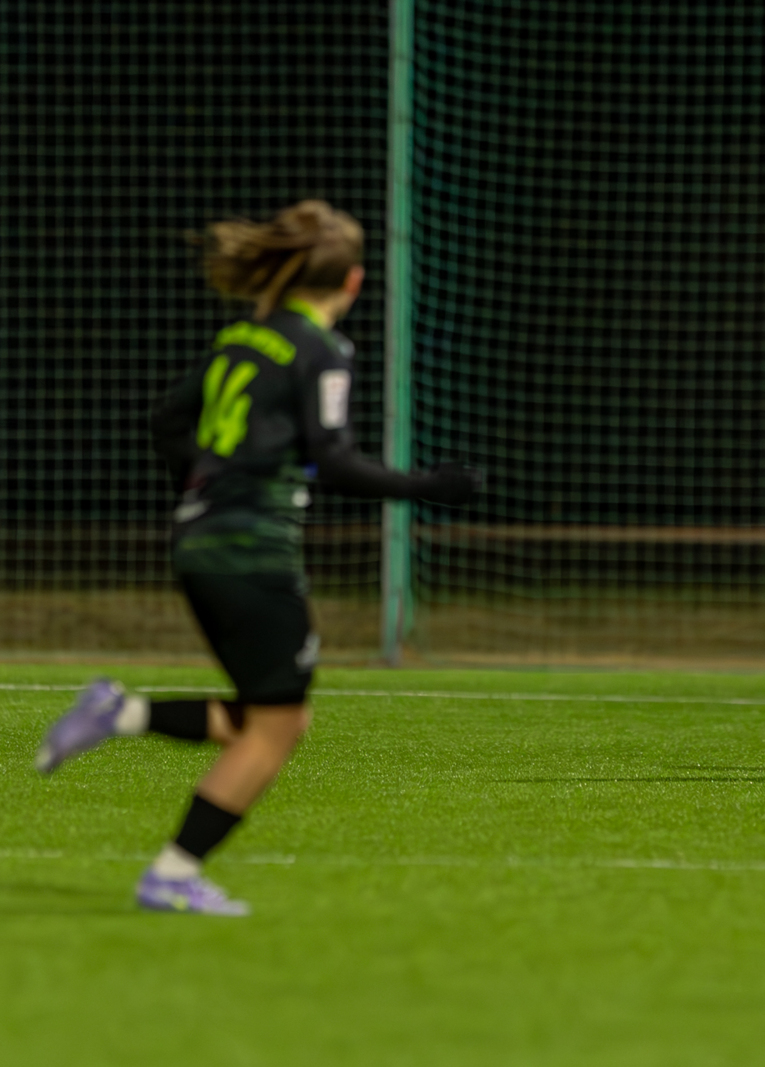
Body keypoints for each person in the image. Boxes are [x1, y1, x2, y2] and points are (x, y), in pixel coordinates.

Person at [35, 200, 478, 915]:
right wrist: (427, 486)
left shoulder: (242, 339)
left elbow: (167, 418)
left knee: (274, 714)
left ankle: (121, 714)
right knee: (276, 726)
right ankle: (173, 872)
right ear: (353, 282)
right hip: (250, 548)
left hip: (198, 539)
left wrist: (206, 481)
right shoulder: (322, 349)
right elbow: (334, 459)